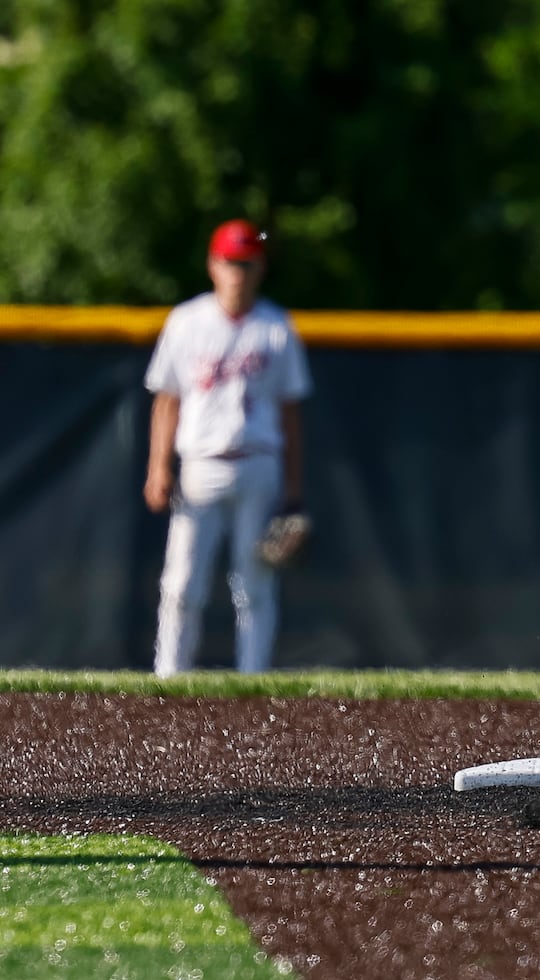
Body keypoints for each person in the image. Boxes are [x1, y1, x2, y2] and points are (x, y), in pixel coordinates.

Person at [142, 219, 312, 677]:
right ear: (213, 264)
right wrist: (159, 467)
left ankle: (253, 680)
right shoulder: (187, 322)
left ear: (260, 268)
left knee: (254, 583)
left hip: (259, 463)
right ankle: (169, 678)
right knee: (182, 584)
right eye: (231, 261)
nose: (239, 271)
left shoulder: (275, 326)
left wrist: (294, 489)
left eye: (248, 263)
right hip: (199, 464)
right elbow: (167, 400)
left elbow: (290, 414)